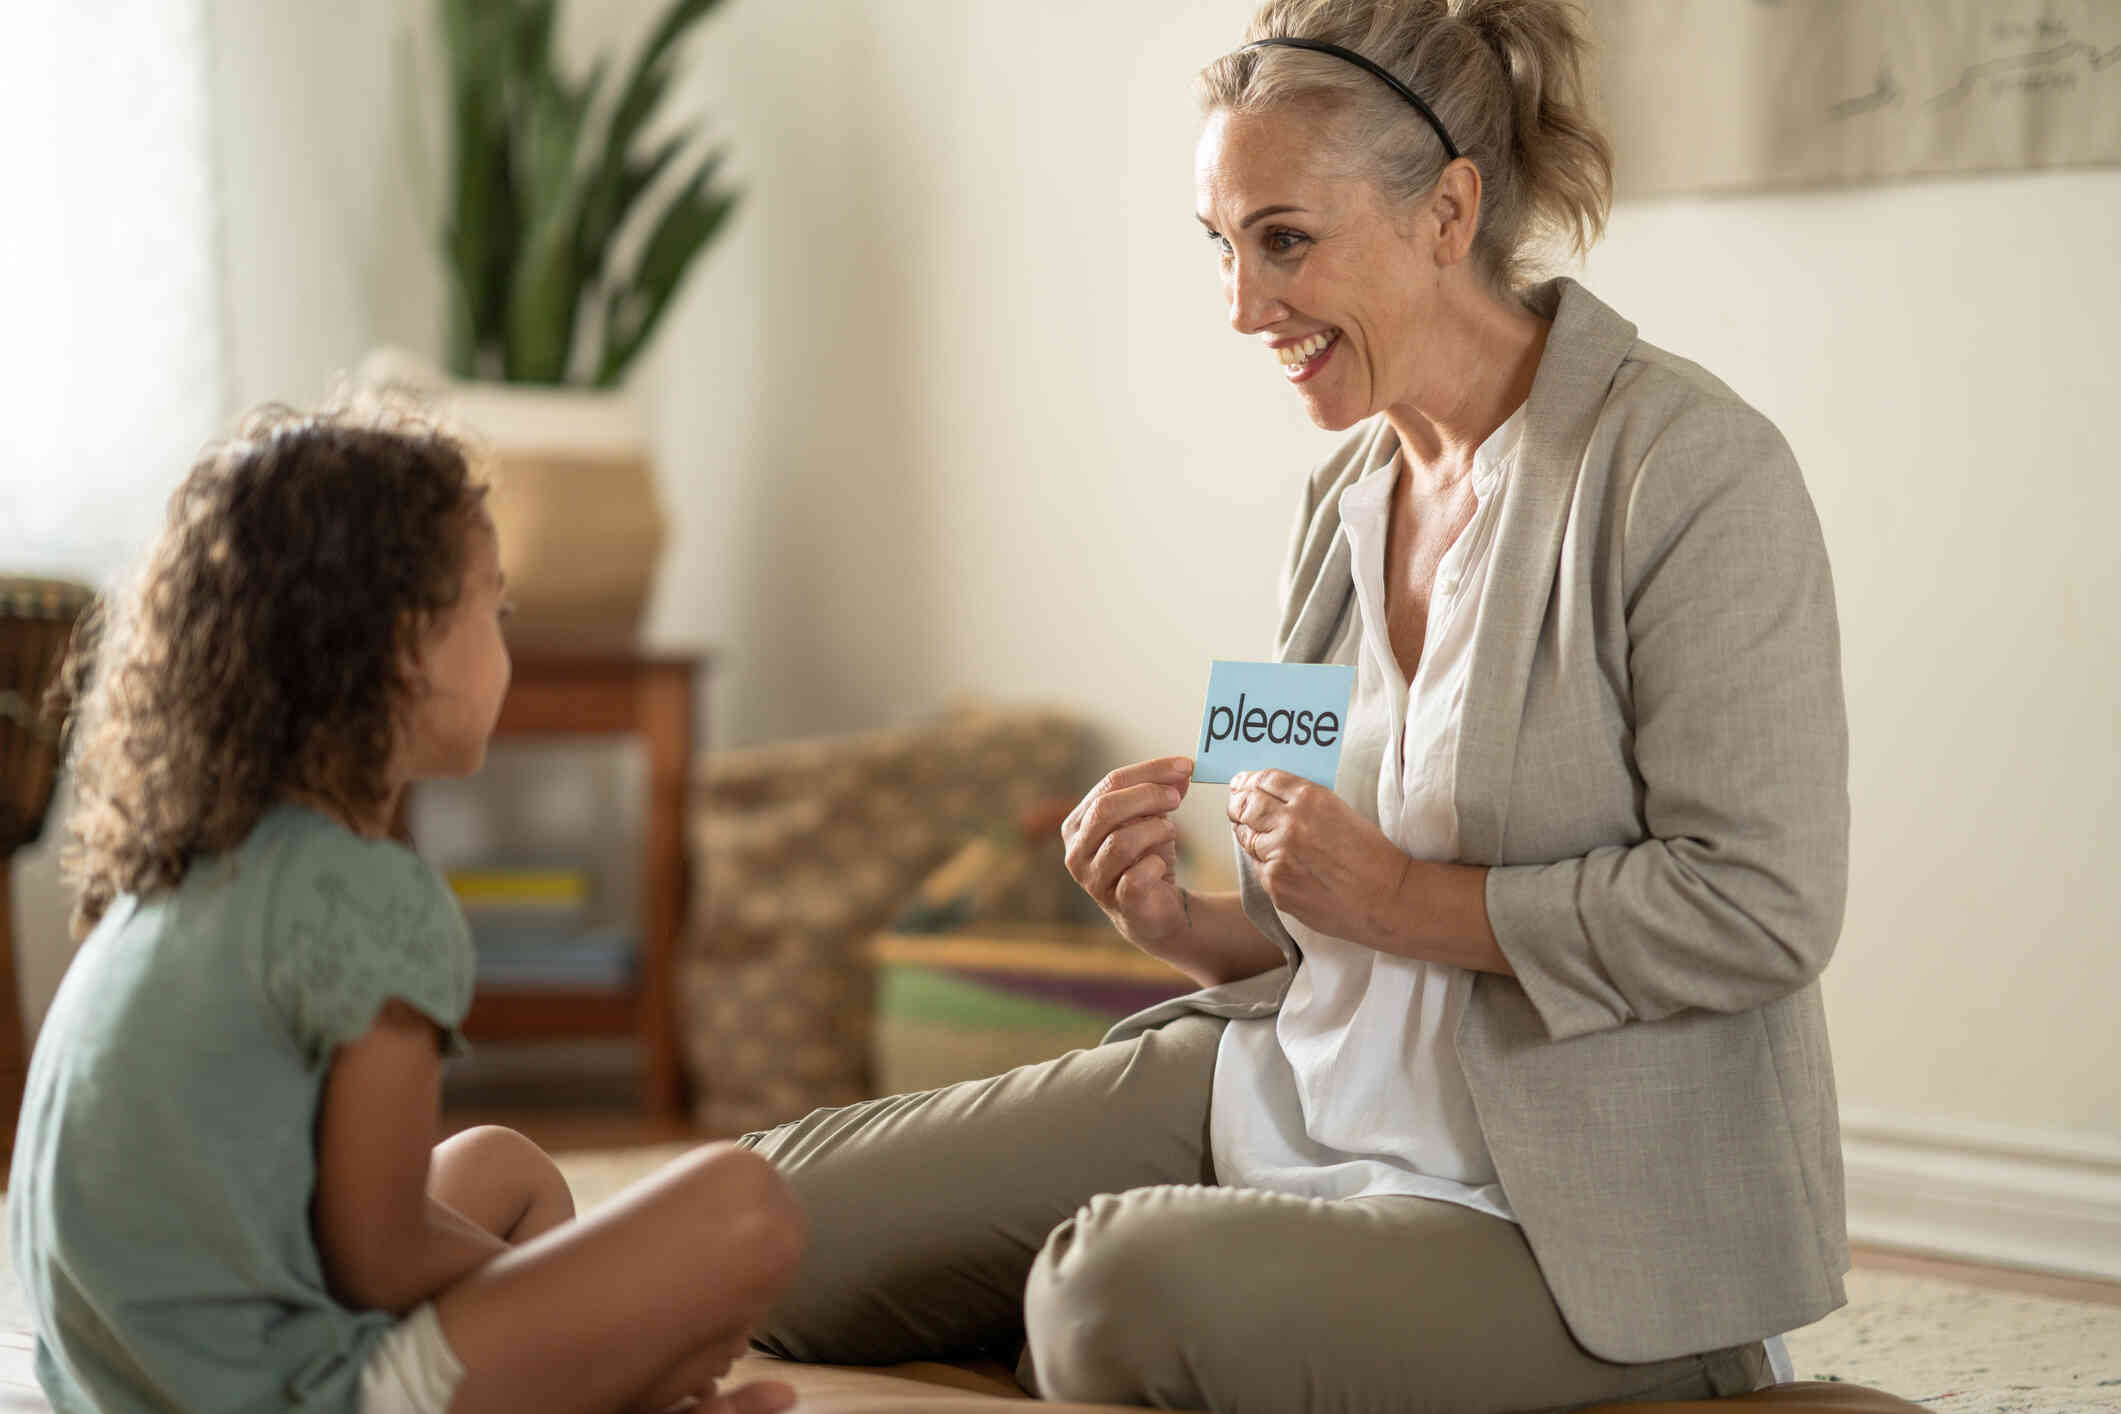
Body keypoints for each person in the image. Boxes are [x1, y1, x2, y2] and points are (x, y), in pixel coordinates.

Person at [741, 1, 1852, 1411]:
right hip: (1285, 1094)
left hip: (1550, 1215)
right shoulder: (1339, 495)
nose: (1242, 305)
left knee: (1106, 1292)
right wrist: (1178, 922)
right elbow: (1293, 923)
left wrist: (1397, 896)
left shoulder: (1687, 472)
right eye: (1220, 244)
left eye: (1284, 239)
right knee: (757, 1219)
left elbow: (1759, 905)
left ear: (1448, 210)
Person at [9, 402, 805, 1414]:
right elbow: (378, 1255)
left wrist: (583, 1311)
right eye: (495, 611)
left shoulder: (183, 874)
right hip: (284, 1393)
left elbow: (333, 1223)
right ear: (402, 647)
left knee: (501, 1167)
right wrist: (607, 1322)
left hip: (126, 1387)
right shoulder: (366, 896)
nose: (508, 649)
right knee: (745, 1206)